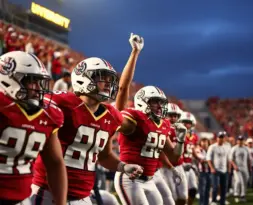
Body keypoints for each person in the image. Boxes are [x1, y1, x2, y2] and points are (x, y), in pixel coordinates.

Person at [31, 33, 145, 205]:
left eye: (110, 80)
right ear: (84, 77)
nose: (108, 83)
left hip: (83, 195)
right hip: (48, 192)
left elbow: (105, 156)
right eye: (102, 78)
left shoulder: (110, 115)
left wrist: (123, 166)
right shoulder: (62, 102)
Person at [0, 51, 67, 205]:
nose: (38, 88)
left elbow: (55, 163)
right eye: (32, 81)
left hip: (22, 198)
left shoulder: (48, 115)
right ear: (7, 80)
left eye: (40, 82)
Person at [114, 86, 187, 205]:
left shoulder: (163, 124)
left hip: (150, 178)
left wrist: (180, 140)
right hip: (131, 178)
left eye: (161, 102)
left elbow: (174, 157)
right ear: (142, 101)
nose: (159, 106)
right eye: (154, 101)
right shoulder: (135, 117)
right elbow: (119, 111)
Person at [160, 103, 188, 205]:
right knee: (171, 197)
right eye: (170, 115)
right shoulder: (162, 129)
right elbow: (161, 152)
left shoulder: (181, 129)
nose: (173, 118)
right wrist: (171, 166)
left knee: (183, 196)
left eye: (175, 116)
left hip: (179, 166)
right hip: (166, 167)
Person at [178, 111, 198, 205]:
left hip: (190, 165)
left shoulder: (194, 137)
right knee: (183, 190)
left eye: (189, 122)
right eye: (185, 122)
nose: (187, 124)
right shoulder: (179, 134)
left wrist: (199, 160)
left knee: (193, 189)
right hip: (181, 165)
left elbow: (193, 150)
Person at [207, 131, 230, 205]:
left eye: (222, 137)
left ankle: (222, 201)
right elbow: (208, 158)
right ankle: (213, 200)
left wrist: (229, 168)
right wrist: (212, 168)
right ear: (217, 138)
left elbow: (228, 158)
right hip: (215, 170)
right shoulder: (212, 147)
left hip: (224, 170)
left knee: (224, 187)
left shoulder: (227, 146)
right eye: (220, 137)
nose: (221, 139)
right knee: (215, 186)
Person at [229, 135, 250, 203]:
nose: (240, 141)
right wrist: (234, 166)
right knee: (238, 181)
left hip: (245, 167)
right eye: (239, 140)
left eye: (241, 140)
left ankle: (242, 195)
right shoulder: (234, 148)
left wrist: (249, 167)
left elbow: (248, 159)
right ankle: (236, 193)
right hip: (237, 167)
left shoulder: (246, 148)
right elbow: (231, 159)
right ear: (237, 141)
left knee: (245, 181)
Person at [194, 137, 210, 205]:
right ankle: (201, 203)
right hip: (201, 172)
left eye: (206, 142)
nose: (204, 143)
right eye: (203, 142)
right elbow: (201, 159)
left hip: (209, 172)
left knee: (207, 189)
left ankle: (206, 203)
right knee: (202, 190)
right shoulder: (198, 150)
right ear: (200, 143)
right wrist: (210, 160)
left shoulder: (209, 150)